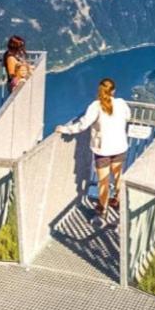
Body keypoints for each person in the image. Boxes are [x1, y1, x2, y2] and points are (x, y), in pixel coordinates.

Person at [55, 78, 131, 219]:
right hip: (120, 147)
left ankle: (103, 209)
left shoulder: (96, 106)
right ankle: (119, 201)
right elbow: (128, 117)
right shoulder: (121, 103)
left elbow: (82, 125)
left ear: (99, 90)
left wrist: (66, 129)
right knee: (118, 177)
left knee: (104, 181)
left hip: (103, 149)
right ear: (114, 91)